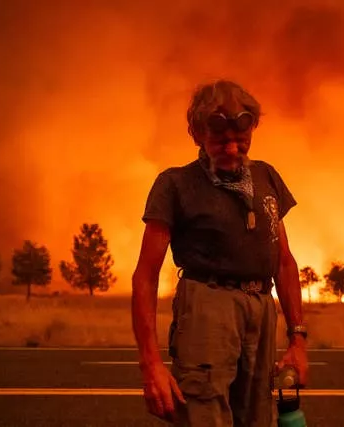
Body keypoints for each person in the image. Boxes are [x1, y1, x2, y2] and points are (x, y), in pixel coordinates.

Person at [131, 79, 309, 426]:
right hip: (207, 308)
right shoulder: (175, 184)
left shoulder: (266, 176)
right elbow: (145, 275)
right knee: (204, 415)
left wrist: (297, 340)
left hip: (262, 308)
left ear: (252, 129)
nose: (231, 149)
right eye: (220, 141)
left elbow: (284, 262)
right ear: (196, 134)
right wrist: (150, 364)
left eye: (240, 141)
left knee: (260, 418)